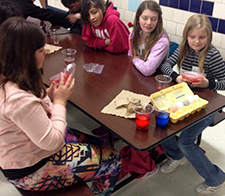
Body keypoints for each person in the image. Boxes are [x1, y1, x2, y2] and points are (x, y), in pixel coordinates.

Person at [0, 17, 121, 196]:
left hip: (30, 150)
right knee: (113, 160)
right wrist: (60, 101)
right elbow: (52, 142)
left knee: (101, 144)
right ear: (25, 56)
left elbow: (32, 110)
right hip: (31, 167)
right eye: (41, 50)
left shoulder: (11, 77)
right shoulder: (17, 99)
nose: (46, 54)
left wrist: (49, 94)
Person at [159, 14, 225, 195]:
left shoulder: (212, 55)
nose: (196, 42)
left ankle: (217, 178)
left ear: (209, 37)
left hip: (207, 106)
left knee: (186, 142)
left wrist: (209, 84)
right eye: (192, 37)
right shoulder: (183, 49)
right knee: (161, 124)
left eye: (201, 37)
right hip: (184, 100)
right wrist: (177, 77)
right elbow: (165, 65)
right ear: (186, 36)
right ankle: (176, 156)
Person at [129, 0, 169, 76]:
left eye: (153, 19)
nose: (149, 23)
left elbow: (148, 70)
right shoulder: (134, 34)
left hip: (153, 81)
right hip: (135, 75)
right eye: (145, 18)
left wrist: (134, 59)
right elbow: (129, 56)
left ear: (158, 20)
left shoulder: (162, 42)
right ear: (138, 19)